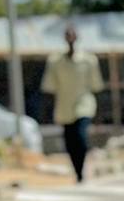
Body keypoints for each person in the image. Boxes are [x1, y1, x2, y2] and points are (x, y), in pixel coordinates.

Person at [42, 21, 104, 182]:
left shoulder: (89, 60)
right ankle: (78, 172)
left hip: (84, 104)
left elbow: (96, 85)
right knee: (70, 142)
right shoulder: (55, 61)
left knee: (81, 137)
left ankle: (82, 167)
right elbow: (49, 87)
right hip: (64, 106)